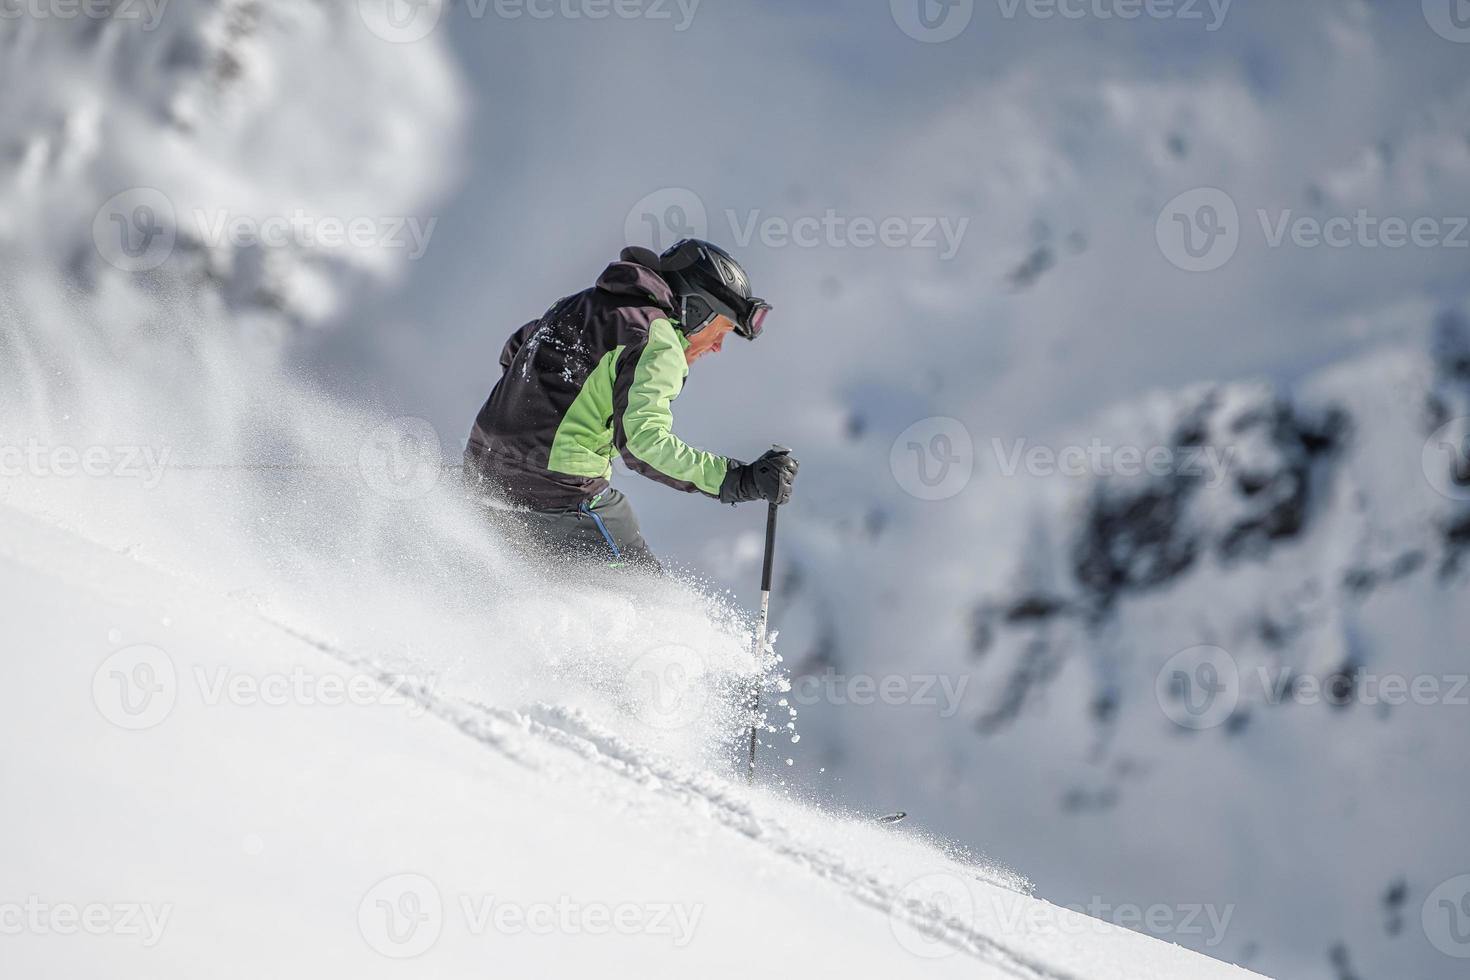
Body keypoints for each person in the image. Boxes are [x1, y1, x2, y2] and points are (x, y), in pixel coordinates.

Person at [464, 239, 799, 570]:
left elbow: (517, 348)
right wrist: (738, 479)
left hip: (481, 472)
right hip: (560, 495)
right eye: (721, 331)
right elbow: (643, 445)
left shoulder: (578, 303)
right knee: (651, 605)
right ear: (697, 311)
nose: (717, 348)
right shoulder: (657, 338)